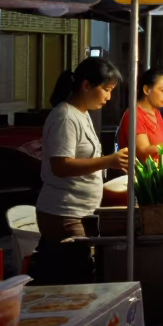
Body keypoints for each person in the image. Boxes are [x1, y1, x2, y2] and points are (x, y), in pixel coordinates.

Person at [35, 57, 128, 284]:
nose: (109, 97)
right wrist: (108, 161)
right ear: (86, 85)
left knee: (79, 274)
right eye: (106, 90)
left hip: (81, 211)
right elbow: (60, 165)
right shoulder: (65, 116)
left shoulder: (82, 114)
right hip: (64, 212)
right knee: (77, 278)